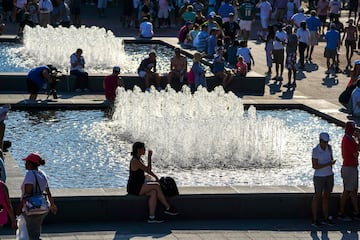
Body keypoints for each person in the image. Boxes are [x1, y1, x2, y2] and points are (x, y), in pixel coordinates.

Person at [127, 142, 178, 223]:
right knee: (156, 186)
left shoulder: (139, 159)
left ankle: (151, 217)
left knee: (153, 192)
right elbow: (148, 170)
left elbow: (148, 170)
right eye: (143, 148)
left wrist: (149, 158)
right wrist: (156, 178)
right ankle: (168, 208)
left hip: (140, 185)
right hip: (135, 188)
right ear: (138, 150)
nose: (145, 150)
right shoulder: (135, 161)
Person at [18, 153, 57, 239]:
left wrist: (20, 208)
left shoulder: (30, 174)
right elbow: (48, 191)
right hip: (43, 207)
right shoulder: (42, 174)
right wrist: (52, 205)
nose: (25, 164)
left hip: (31, 207)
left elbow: (27, 194)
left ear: (31, 164)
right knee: (35, 231)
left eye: (27, 162)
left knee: (31, 234)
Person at [311, 132, 336, 227]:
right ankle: (314, 219)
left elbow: (331, 158)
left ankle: (326, 218)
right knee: (317, 196)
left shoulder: (329, 148)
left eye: (327, 142)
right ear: (320, 141)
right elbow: (315, 166)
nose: (326, 144)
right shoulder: (315, 150)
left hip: (329, 175)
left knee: (326, 197)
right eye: (325, 142)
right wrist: (328, 164)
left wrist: (331, 164)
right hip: (319, 177)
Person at [338, 121, 360, 221]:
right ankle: (341, 212)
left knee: (353, 190)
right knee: (348, 190)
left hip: (349, 167)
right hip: (350, 168)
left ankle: (356, 211)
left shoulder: (347, 138)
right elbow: (356, 154)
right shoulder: (349, 140)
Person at [284, 25, 298, 89]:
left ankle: (290, 82)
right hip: (293, 53)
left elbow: (291, 44)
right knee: (293, 68)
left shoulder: (291, 36)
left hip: (291, 53)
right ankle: (294, 82)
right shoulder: (294, 35)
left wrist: (285, 43)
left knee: (290, 68)